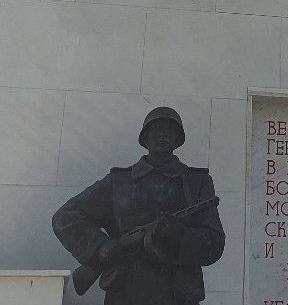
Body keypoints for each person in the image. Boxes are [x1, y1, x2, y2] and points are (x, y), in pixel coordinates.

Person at [52, 107, 225, 304]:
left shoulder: (197, 182)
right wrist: (102, 246)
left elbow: (215, 242)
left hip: (178, 293)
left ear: (178, 138)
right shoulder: (119, 181)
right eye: (157, 129)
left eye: (169, 130)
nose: (162, 135)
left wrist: (180, 236)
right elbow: (66, 217)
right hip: (125, 290)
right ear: (145, 136)